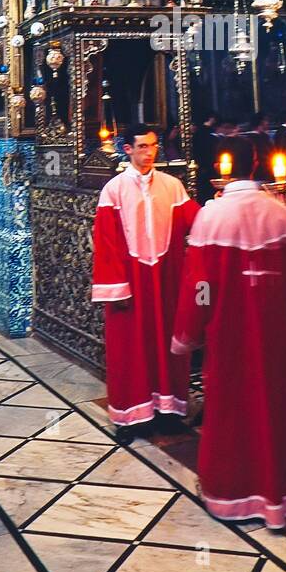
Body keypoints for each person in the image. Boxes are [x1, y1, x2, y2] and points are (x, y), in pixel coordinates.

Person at [174, 138, 286, 528]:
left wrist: (187, 334)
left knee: (231, 407)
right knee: (273, 406)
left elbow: (198, 286)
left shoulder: (211, 216)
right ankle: (277, 499)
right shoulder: (278, 211)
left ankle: (232, 495)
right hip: (274, 334)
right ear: (256, 164)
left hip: (227, 333)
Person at [91, 122, 200, 443]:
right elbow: (106, 243)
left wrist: (223, 206)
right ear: (128, 149)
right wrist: (116, 287)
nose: (149, 152)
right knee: (130, 349)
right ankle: (131, 418)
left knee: (168, 345)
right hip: (131, 281)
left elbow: (196, 220)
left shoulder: (172, 185)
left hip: (165, 277)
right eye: (142, 147)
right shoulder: (113, 189)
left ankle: (168, 413)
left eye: (153, 146)